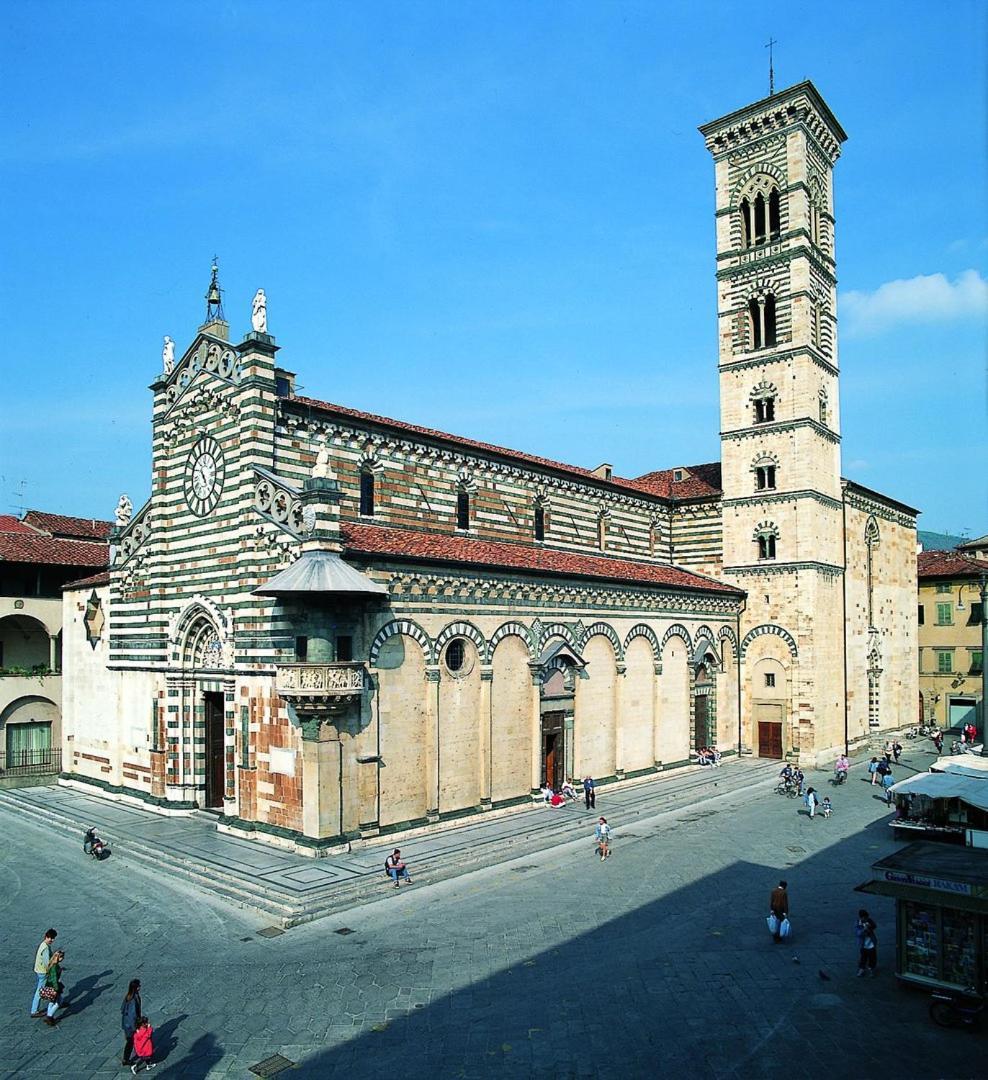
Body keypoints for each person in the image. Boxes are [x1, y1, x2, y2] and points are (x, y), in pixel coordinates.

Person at [31, 928, 58, 1018]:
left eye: (53, 938)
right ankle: (34, 1011)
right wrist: (55, 961)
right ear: (46, 936)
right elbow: (47, 964)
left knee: (49, 987)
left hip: (39, 970)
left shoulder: (43, 944)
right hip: (43, 972)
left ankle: (56, 1001)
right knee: (40, 991)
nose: (52, 940)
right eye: (51, 938)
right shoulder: (45, 948)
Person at [121, 979, 143, 1066]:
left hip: (126, 1023)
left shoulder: (128, 996)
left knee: (130, 1041)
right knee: (130, 1042)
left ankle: (126, 1058)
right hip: (130, 1025)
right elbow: (132, 1015)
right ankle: (126, 1059)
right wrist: (135, 1028)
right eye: (139, 985)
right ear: (136, 988)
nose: (140, 986)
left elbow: (123, 1009)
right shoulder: (133, 999)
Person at [43, 949, 66, 1026]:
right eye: (62, 957)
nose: (63, 959)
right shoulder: (54, 967)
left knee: (52, 1001)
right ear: (59, 957)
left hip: (50, 985)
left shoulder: (53, 965)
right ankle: (50, 1016)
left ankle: (48, 1016)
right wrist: (56, 989)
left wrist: (61, 969)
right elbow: (54, 978)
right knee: (59, 1001)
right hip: (54, 986)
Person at [856, 910, 878, 977]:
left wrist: (869, 927)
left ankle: (871, 969)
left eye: (866, 918)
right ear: (861, 917)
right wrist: (864, 929)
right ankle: (861, 969)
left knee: (872, 957)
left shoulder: (869, 921)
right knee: (863, 957)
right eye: (864, 918)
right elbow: (858, 933)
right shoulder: (858, 923)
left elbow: (874, 926)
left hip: (871, 943)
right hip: (863, 944)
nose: (865, 919)